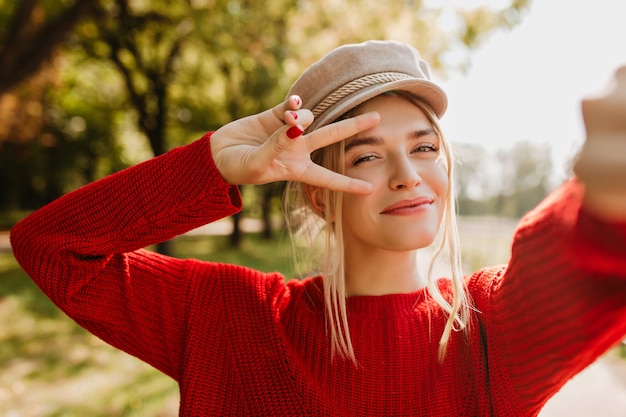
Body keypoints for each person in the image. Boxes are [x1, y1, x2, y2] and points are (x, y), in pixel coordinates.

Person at [10, 40, 626, 416]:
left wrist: (604, 190)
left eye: (424, 148)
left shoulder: (491, 331)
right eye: (365, 155)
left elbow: (584, 253)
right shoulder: (226, 315)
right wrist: (211, 160)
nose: (408, 175)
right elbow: (52, 246)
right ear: (314, 194)